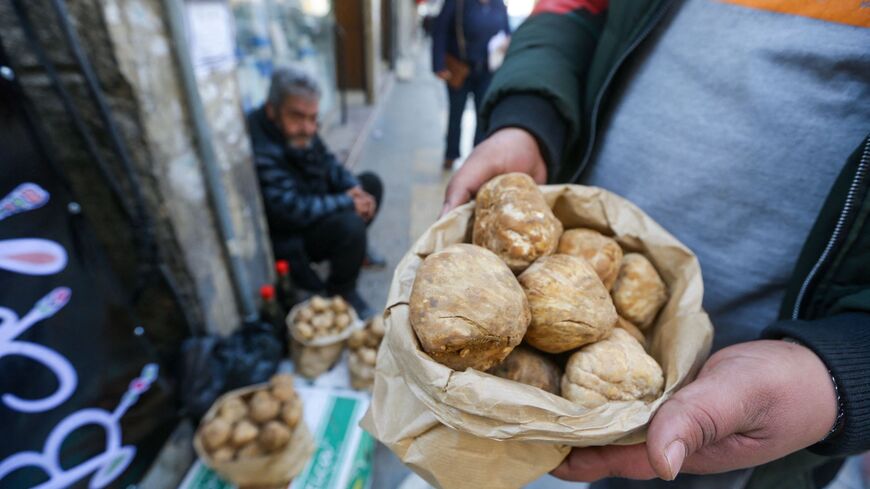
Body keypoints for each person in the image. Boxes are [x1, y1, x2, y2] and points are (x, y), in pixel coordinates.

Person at [441, 1, 870, 488]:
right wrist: (529, 118)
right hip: (600, 304)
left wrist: (843, 375)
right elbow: (573, 9)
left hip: (778, 383)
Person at [247, 67, 385, 319]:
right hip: (293, 234)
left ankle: (354, 253)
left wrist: (352, 188)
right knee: (350, 223)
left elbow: (328, 162)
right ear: (272, 111)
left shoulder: (304, 130)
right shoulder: (261, 147)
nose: (308, 128)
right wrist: (346, 201)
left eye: (313, 118)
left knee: (370, 184)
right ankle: (341, 291)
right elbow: (289, 210)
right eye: (298, 117)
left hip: (314, 200)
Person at [431, 0, 510, 170]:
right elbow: (440, 30)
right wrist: (438, 65)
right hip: (461, 69)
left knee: (483, 115)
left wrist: (506, 43)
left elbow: (506, 29)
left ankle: (478, 158)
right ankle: (451, 155)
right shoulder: (458, 3)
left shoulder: (498, 4)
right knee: (455, 113)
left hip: (487, 71)